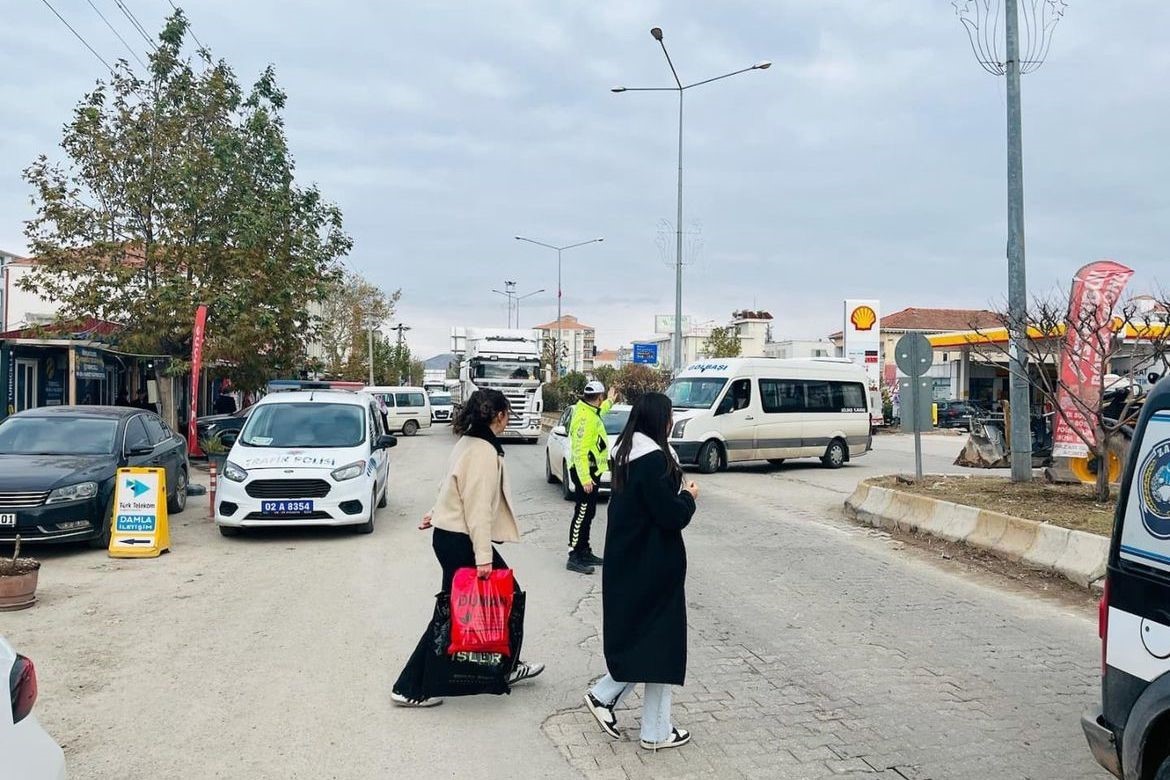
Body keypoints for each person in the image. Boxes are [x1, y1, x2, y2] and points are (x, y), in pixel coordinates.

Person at [391, 388, 544, 707]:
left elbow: (450, 484)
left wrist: (436, 512)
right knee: (464, 609)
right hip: (463, 541)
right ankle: (409, 688)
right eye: (507, 416)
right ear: (499, 416)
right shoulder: (484, 452)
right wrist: (484, 558)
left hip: (450, 536)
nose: (507, 422)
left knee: (470, 606)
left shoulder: (468, 442)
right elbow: (477, 508)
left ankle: (508, 665)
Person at [583, 392, 699, 751]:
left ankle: (618, 705)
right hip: (653, 567)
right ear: (657, 420)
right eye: (667, 417)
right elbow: (671, 516)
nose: (670, 423)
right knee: (659, 646)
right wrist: (690, 496)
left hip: (631, 563)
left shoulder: (626, 453)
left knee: (647, 644)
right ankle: (652, 729)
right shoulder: (652, 461)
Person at [566, 380, 619, 575]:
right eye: (603, 398)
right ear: (599, 397)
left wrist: (611, 402)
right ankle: (574, 555)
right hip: (584, 473)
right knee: (582, 513)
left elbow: (600, 412)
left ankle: (584, 550)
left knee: (589, 513)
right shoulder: (584, 418)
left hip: (591, 471)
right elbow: (579, 450)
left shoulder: (590, 411)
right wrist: (585, 478)